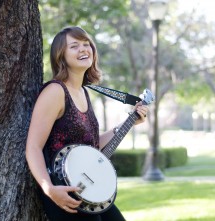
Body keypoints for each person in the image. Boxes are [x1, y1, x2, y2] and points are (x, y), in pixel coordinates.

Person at [25, 26, 149, 221]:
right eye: (74, 46)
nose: (84, 49)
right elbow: (33, 146)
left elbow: (90, 146)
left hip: (89, 189)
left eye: (86, 44)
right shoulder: (55, 92)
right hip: (64, 190)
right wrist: (49, 188)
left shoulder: (84, 92)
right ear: (61, 56)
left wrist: (128, 123)